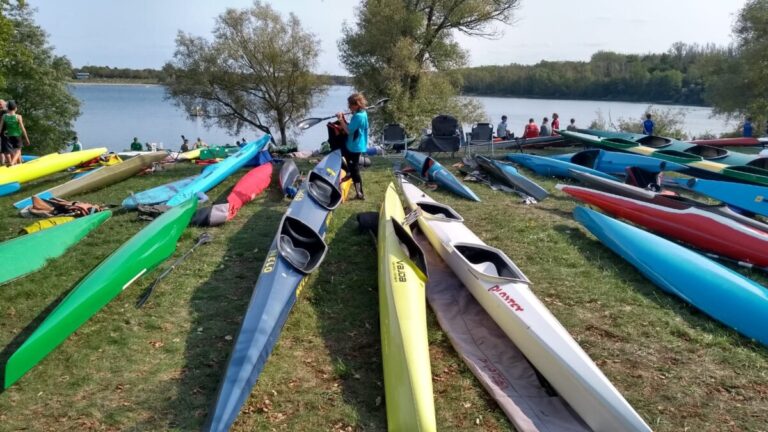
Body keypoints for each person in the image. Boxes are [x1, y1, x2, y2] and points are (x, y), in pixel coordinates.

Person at [336, 92, 368, 200]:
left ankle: (360, 194)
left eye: (350, 105)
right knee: (337, 154)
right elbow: (355, 126)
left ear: (357, 104)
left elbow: (349, 130)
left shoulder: (359, 116)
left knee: (355, 170)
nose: (349, 107)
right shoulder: (362, 113)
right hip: (355, 144)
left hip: (354, 147)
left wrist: (341, 120)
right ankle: (349, 171)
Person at [0, 101, 30, 165]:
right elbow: (23, 129)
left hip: (9, 136)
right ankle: (12, 162)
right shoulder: (18, 117)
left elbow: (0, 127)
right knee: (18, 150)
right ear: (16, 108)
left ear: (7, 108)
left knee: (13, 150)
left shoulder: (4, 116)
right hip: (17, 136)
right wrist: (27, 139)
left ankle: (16, 164)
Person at [0, 99, 7, 166]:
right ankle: (3, 163)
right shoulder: (5, 112)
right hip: (4, 132)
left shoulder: (4, 112)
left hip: (4, 132)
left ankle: (3, 163)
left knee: (2, 149)